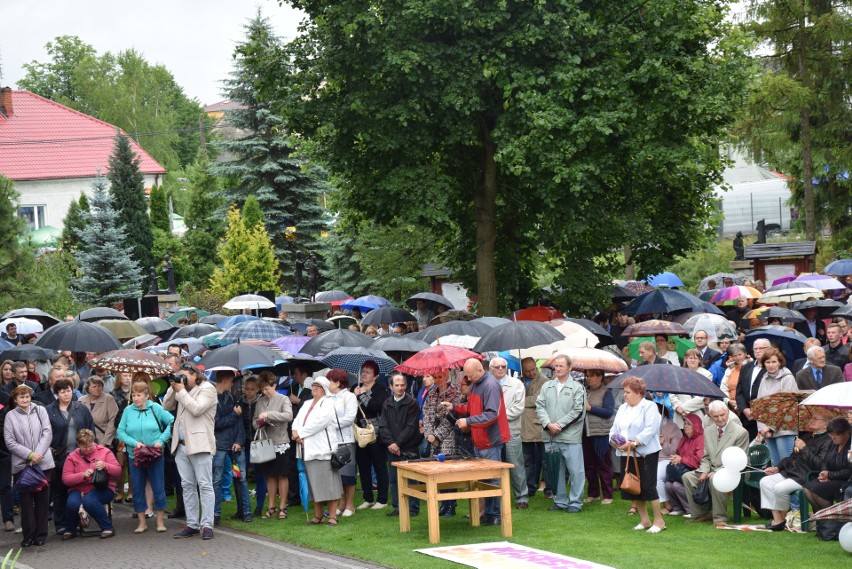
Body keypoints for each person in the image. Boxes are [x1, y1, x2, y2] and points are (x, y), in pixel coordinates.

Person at [442, 358, 510, 524]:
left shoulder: (491, 386)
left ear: (480, 371)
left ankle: (495, 516)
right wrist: (455, 407)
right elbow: (472, 408)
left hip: (491, 440)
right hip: (479, 440)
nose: (468, 378)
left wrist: (468, 422)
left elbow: (492, 414)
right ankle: (487, 514)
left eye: (470, 375)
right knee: (483, 479)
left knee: (493, 479)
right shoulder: (476, 384)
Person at [163, 364, 217, 540]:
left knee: (205, 485)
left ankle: (207, 525)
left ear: (195, 375)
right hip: (182, 445)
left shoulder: (208, 389)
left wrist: (181, 391)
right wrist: (173, 387)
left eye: (185, 376)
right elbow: (165, 406)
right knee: (187, 486)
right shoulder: (181, 390)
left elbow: (196, 409)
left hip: (200, 444)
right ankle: (192, 523)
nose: (182, 380)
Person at [758, 410, 835, 531]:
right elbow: (792, 457)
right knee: (765, 482)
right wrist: (777, 467)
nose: (811, 421)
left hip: (806, 476)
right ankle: (779, 519)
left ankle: (780, 521)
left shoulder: (828, 441)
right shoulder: (807, 436)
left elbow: (820, 465)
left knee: (779, 488)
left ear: (825, 424)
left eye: (815, 419)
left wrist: (804, 448)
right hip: (790, 472)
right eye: (812, 418)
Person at [608, 376, 664, 532]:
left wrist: (633, 443)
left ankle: (659, 521)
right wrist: (614, 441)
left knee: (648, 486)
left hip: (646, 453)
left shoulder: (650, 406)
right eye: (624, 392)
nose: (624, 395)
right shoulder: (623, 408)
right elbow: (614, 429)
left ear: (639, 392)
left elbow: (650, 429)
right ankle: (645, 520)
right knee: (633, 487)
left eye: (627, 392)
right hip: (626, 453)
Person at [117, 380, 173, 534]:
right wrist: (134, 443)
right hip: (135, 455)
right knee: (137, 487)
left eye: (139, 395)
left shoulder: (155, 408)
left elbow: (171, 422)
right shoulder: (128, 410)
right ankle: (142, 522)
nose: (136, 398)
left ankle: (160, 521)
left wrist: (161, 441)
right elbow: (120, 431)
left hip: (154, 455)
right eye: (133, 395)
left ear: (147, 396)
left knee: (158, 486)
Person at [682, 400, 750, 526]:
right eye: (715, 416)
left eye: (722, 415)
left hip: (733, 471)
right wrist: (703, 471)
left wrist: (716, 472)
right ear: (710, 416)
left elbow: (738, 460)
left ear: (728, 412)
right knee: (687, 477)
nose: (719, 419)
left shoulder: (741, 432)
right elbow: (706, 456)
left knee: (716, 479)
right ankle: (700, 514)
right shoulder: (708, 431)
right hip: (711, 469)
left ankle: (720, 518)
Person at [4, 385, 54, 547]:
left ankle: (41, 535)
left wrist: (38, 454)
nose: (25, 400)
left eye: (27, 396)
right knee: (25, 503)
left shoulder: (41, 410)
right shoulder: (10, 416)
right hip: (22, 465)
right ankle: (28, 535)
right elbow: (10, 441)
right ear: (15, 399)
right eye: (21, 397)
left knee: (42, 502)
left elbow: (47, 432)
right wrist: (29, 455)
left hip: (44, 463)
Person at [535, 355, 586, 514]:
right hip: (551, 436)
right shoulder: (547, 386)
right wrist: (548, 424)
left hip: (570, 437)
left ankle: (575, 502)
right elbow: (540, 406)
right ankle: (560, 501)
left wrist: (560, 425)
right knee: (555, 470)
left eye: (561, 366)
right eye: (556, 366)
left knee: (576, 472)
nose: (557, 369)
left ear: (570, 368)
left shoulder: (578, 388)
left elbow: (578, 411)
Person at [46, 378, 95, 536]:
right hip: (60, 456)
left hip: (81, 456)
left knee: (79, 490)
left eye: (68, 390)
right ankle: (60, 523)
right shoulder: (49, 410)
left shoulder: (81, 408)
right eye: (62, 391)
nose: (66, 394)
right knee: (60, 491)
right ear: (57, 394)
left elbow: (90, 429)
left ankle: (76, 521)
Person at [292, 377, 342, 526]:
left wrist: (300, 433)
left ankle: (332, 516)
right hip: (306, 449)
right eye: (314, 385)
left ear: (325, 389)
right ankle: (318, 515)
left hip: (322, 450)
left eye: (318, 386)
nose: (314, 388)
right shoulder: (307, 403)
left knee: (329, 484)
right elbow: (297, 420)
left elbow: (319, 423)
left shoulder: (328, 403)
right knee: (313, 484)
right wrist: (295, 431)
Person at [60, 428, 122, 539]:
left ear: (94, 441)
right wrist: (82, 475)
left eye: (90, 445)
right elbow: (65, 479)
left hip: (103, 488)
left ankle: (107, 527)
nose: (88, 449)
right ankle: (70, 529)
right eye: (84, 447)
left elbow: (118, 470)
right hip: (79, 488)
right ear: (78, 444)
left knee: (89, 501)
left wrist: (105, 466)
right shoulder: (72, 457)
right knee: (72, 503)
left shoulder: (105, 452)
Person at [379, 372, 422, 517]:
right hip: (392, 448)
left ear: (406, 385)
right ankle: (398, 507)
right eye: (396, 385)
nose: (400, 388)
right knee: (394, 479)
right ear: (391, 387)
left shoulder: (412, 403)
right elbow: (383, 426)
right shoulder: (387, 403)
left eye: (402, 385)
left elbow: (411, 427)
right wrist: (391, 443)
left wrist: (397, 444)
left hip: (408, 447)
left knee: (411, 479)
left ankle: (413, 508)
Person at [212, 371, 251, 524]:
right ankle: (215, 514)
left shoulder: (231, 397)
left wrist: (239, 441)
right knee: (217, 480)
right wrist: (234, 415)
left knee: (241, 478)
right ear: (225, 380)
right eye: (230, 382)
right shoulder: (212, 400)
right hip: (220, 445)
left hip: (234, 445)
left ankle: (245, 511)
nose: (232, 385)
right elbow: (216, 423)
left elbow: (238, 422)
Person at [253, 372, 293, 520]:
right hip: (265, 443)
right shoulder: (260, 401)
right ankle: (271, 506)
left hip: (281, 442)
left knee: (282, 475)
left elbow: (288, 416)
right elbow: (254, 421)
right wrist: (259, 423)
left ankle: (283, 506)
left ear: (274, 385)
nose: (265, 392)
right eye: (262, 389)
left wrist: (269, 414)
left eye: (267, 389)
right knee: (269, 475)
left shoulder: (284, 399)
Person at [421, 369, 460, 516]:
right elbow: (427, 414)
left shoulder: (454, 392)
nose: (437, 379)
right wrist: (429, 434)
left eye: (440, 376)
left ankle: (451, 504)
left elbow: (452, 417)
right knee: (437, 471)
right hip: (432, 438)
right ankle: (444, 504)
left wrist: (437, 435)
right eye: (435, 376)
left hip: (448, 436)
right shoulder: (432, 393)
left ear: (447, 375)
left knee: (448, 472)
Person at [492, 357, 529, 509]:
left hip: (511, 430)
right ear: (491, 369)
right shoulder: (488, 384)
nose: (500, 368)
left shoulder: (516, 384)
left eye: (503, 366)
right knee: (494, 466)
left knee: (516, 464)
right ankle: (496, 499)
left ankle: (522, 497)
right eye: (497, 366)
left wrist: (495, 416)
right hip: (492, 432)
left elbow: (518, 409)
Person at [353, 360, 389, 510]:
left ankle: (382, 499)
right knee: (363, 465)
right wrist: (354, 394)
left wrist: (362, 395)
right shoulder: (355, 388)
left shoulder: (381, 390)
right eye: (363, 371)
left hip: (375, 432)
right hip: (359, 431)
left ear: (375, 376)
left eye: (368, 372)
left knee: (379, 465)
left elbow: (376, 406)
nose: (364, 374)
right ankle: (367, 497)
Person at [755, 347, 799, 466]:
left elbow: (787, 406)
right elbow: (759, 407)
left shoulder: (788, 378)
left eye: (774, 361)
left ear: (780, 362)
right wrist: (763, 430)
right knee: (775, 466)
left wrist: (770, 428)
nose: (771, 365)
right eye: (768, 362)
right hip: (767, 431)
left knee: (786, 466)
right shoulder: (764, 379)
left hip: (784, 429)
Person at [802, 417, 851, 514]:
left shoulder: (850, 446)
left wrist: (830, 475)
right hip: (832, 477)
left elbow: (849, 471)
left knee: (818, 491)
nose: (833, 437)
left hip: (845, 480)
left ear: (846, 433)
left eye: (836, 434)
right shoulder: (833, 444)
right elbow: (825, 461)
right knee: (807, 488)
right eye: (831, 434)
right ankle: (822, 520)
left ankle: (831, 520)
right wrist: (824, 473)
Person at [326, 368, 358, 517]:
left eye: (330, 381)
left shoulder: (349, 397)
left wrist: (330, 424)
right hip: (331, 440)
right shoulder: (328, 398)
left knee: (348, 474)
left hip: (346, 440)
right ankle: (342, 502)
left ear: (338, 383)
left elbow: (349, 418)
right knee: (336, 474)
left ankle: (350, 505)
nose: (328, 384)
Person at [582, 369, 615, 505]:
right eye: (587, 376)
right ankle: (593, 494)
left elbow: (608, 412)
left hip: (601, 434)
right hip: (586, 432)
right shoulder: (584, 391)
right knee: (589, 465)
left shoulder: (607, 392)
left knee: (603, 464)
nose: (589, 379)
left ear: (600, 377)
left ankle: (608, 495)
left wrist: (590, 409)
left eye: (592, 376)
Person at [664, 413, 704, 516]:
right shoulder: (684, 439)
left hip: (696, 470)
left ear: (695, 425)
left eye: (689, 424)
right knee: (668, 485)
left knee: (677, 485)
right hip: (684, 469)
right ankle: (678, 508)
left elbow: (699, 459)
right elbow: (678, 453)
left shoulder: (701, 439)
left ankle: (691, 509)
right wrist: (675, 458)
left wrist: (681, 460)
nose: (685, 426)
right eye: (685, 423)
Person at [520, 358, 549, 499]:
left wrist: (519, 401)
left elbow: (539, 399)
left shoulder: (544, 381)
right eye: (528, 371)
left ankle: (549, 488)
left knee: (545, 459)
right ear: (523, 370)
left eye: (533, 369)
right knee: (527, 461)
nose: (532, 373)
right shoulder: (519, 381)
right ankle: (530, 488)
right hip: (524, 427)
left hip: (539, 425)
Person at [237, 375, 266, 517]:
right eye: (246, 389)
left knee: (260, 475)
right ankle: (242, 507)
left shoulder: (261, 402)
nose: (249, 392)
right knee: (240, 475)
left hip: (257, 442)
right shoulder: (240, 402)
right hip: (244, 443)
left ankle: (259, 506)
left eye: (252, 389)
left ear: (258, 390)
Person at [735, 338, 771, 440]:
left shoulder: (772, 368)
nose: (758, 351)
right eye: (755, 349)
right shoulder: (746, 367)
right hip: (747, 417)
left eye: (761, 348)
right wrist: (744, 409)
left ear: (769, 349)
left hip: (765, 416)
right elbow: (739, 391)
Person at [110, 371, 133, 504]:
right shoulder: (114, 394)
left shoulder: (134, 392)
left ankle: (130, 491)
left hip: (133, 432)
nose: (127, 378)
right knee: (120, 463)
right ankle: (119, 491)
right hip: (119, 432)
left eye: (129, 375)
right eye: (124, 375)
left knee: (131, 463)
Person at [79, 375, 119, 449]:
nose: (97, 389)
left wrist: (104, 442)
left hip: (103, 441)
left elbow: (113, 421)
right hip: (85, 442)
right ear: (88, 389)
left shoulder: (108, 399)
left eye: (99, 386)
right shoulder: (81, 400)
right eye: (94, 386)